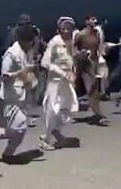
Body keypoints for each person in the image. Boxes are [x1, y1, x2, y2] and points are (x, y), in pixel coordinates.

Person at [0, 25, 41, 161]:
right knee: (20, 129)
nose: (31, 44)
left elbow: (28, 72)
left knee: (18, 129)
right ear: (21, 40)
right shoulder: (11, 54)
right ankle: (5, 150)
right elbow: (3, 77)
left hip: (21, 96)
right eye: (28, 41)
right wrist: (22, 73)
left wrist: (31, 79)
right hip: (10, 98)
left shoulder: (27, 52)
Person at [39, 17, 80, 150]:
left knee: (69, 108)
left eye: (69, 27)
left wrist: (74, 71)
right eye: (64, 27)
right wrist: (61, 72)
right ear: (59, 28)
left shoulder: (71, 42)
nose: (66, 30)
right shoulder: (55, 42)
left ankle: (55, 131)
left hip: (67, 82)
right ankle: (45, 139)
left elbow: (71, 59)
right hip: (55, 82)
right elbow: (45, 63)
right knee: (53, 110)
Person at [74, 15, 109, 125]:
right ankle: (99, 115)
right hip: (85, 64)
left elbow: (99, 48)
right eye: (92, 19)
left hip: (95, 63)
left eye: (95, 19)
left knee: (96, 90)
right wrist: (80, 54)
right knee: (92, 89)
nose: (95, 21)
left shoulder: (96, 33)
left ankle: (96, 112)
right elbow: (74, 49)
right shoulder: (81, 34)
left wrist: (103, 51)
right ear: (86, 21)